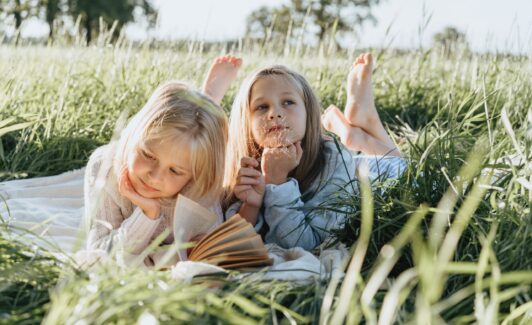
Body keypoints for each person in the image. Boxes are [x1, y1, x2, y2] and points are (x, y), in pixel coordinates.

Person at [220, 53, 405, 250]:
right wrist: (251, 206)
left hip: (381, 177)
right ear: (245, 123)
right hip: (358, 164)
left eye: (288, 102)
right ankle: (358, 133)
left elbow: (306, 244)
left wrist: (278, 184)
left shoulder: (334, 159)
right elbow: (234, 245)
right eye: (262, 107)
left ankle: (364, 129)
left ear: (309, 113)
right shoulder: (246, 168)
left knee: (401, 164)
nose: (274, 113)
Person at [85, 56, 242, 259]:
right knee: (188, 135)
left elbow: (210, 248)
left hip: (198, 157)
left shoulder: (199, 185)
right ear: (134, 137)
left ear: (191, 177)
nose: (155, 177)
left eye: (175, 171)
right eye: (148, 155)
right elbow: (99, 252)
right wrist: (147, 215)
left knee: (202, 139)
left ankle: (208, 101)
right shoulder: (104, 166)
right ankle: (206, 101)